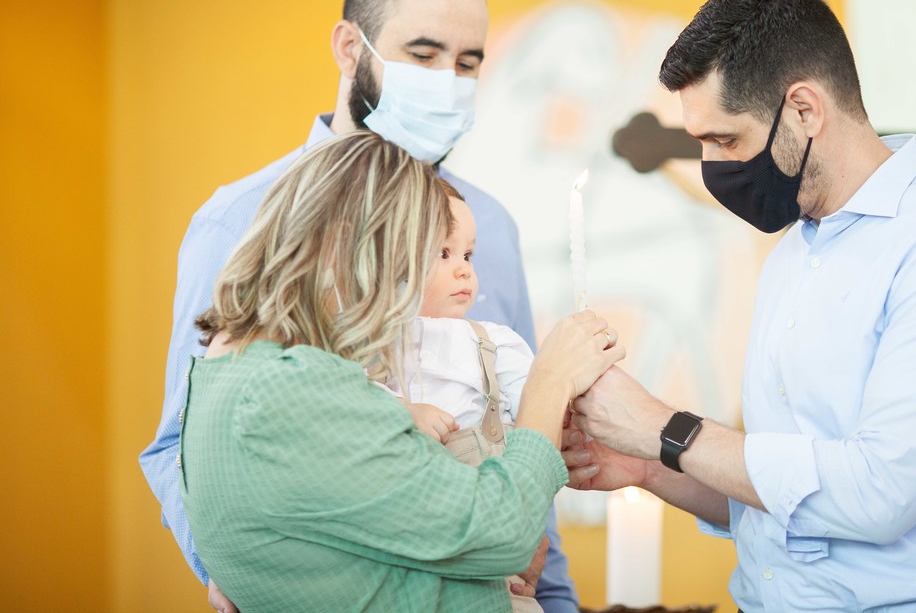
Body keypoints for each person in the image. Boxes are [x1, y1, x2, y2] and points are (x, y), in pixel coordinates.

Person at [563, 0, 916, 613]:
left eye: (726, 140)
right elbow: (788, 501)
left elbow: (879, 495)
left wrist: (664, 427)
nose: (712, 167)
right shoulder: (794, 253)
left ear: (805, 109)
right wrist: (648, 464)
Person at [140, 0, 579, 612]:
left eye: (467, 63)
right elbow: (184, 439)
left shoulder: (487, 222)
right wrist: (239, 569)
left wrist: (552, 595)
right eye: (424, 54)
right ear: (350, 48)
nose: (448, 80)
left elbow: (517, 432)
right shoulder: (241, 220)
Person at [182, 129, 622, 613]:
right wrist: (550, 383)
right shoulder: (293, 386)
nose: (403, 293)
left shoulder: (238, 373)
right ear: (343, 246)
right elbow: (502, 533)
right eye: (405, 260)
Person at [376, 180, 544, 610]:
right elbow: (341, 405)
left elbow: (541, 403)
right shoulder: (372, 346)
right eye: (443, 254)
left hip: (486, 536)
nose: (464, 270)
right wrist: (399, 411)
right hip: (399, 547)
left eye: (467, 255)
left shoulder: (494, 342)